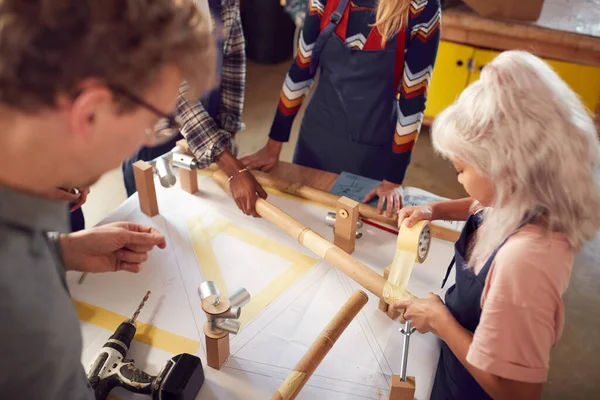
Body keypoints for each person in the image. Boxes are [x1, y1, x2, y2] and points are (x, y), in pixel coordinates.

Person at [0, 0, 215, 398]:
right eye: (152, 123)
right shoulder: (21, 314)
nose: (147, 139)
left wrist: (60, 252)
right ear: (92, 112)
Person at [390, 51, 600, 399]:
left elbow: (517, 391)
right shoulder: (525, 199)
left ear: (505, 169)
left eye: (460, 170)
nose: (457, 179)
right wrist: (435, 209)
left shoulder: (525, 262)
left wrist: (441, 321)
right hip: (458, 366)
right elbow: (483, 204)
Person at [241, 0, 441, 216]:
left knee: (354, 234)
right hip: (315, 139)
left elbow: (413, 98)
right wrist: (273, 146)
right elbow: (301, 70)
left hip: (371, 151)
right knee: (305, 217)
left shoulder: (421, 6)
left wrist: (393, 179)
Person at [122, 0, 267, 217]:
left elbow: (233, 57)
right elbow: (171, 86)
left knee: (200, 216)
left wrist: (227, 129)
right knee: (158, 218)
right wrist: (227, 162)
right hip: (157, 125)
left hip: (207, 118)